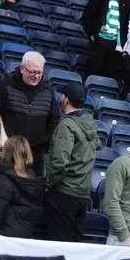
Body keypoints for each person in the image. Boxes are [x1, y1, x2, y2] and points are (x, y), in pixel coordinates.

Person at [42, 82, 99, 243]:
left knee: (60, 243)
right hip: (83, 192)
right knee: (75, 243)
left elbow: (60, 162)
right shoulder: (89, 122)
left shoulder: (66, 125)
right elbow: (98, 145)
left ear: (65, 99)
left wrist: (50, 183)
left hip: (64, 192)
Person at [0, 51, 61, 170]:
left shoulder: (48, 90)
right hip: (8, 151)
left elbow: (54, 120)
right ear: (22, 69)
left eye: (39, 72)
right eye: (32, 72)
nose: (36, 76)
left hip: (35, 156)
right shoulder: (6, 85)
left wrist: (43, 143)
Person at [0, 136, 45, 238]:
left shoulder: (4, 179)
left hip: (1, 239)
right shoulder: (33, 180)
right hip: (23, 237)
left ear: (7, 152)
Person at [81, 0, 128, 79]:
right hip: (100, 41)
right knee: (94, 72)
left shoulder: (123, 1)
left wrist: (122, 41)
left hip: (115, 44)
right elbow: (86, 17)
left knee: (110, 75)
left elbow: (124, 24)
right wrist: (92, 35)